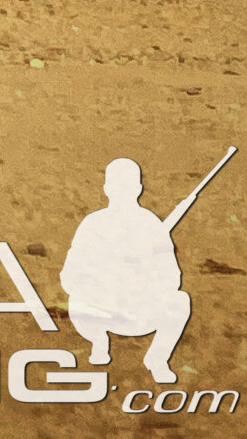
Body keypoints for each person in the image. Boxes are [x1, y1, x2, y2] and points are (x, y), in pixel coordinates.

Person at [61, 156, 196, 384]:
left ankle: (157, 359)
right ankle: (98, 341)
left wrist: (142, 279)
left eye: (127, 185)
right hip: (100, 311)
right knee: (75, 301)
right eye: (117, 185)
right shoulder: (92, 224)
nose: (122, 191)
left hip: (140, 312)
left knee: (180, 301)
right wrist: (103, 279)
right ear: (106, 189)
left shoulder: (151, 224)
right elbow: (69, 276)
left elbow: (172, 277)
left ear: (138, 189)